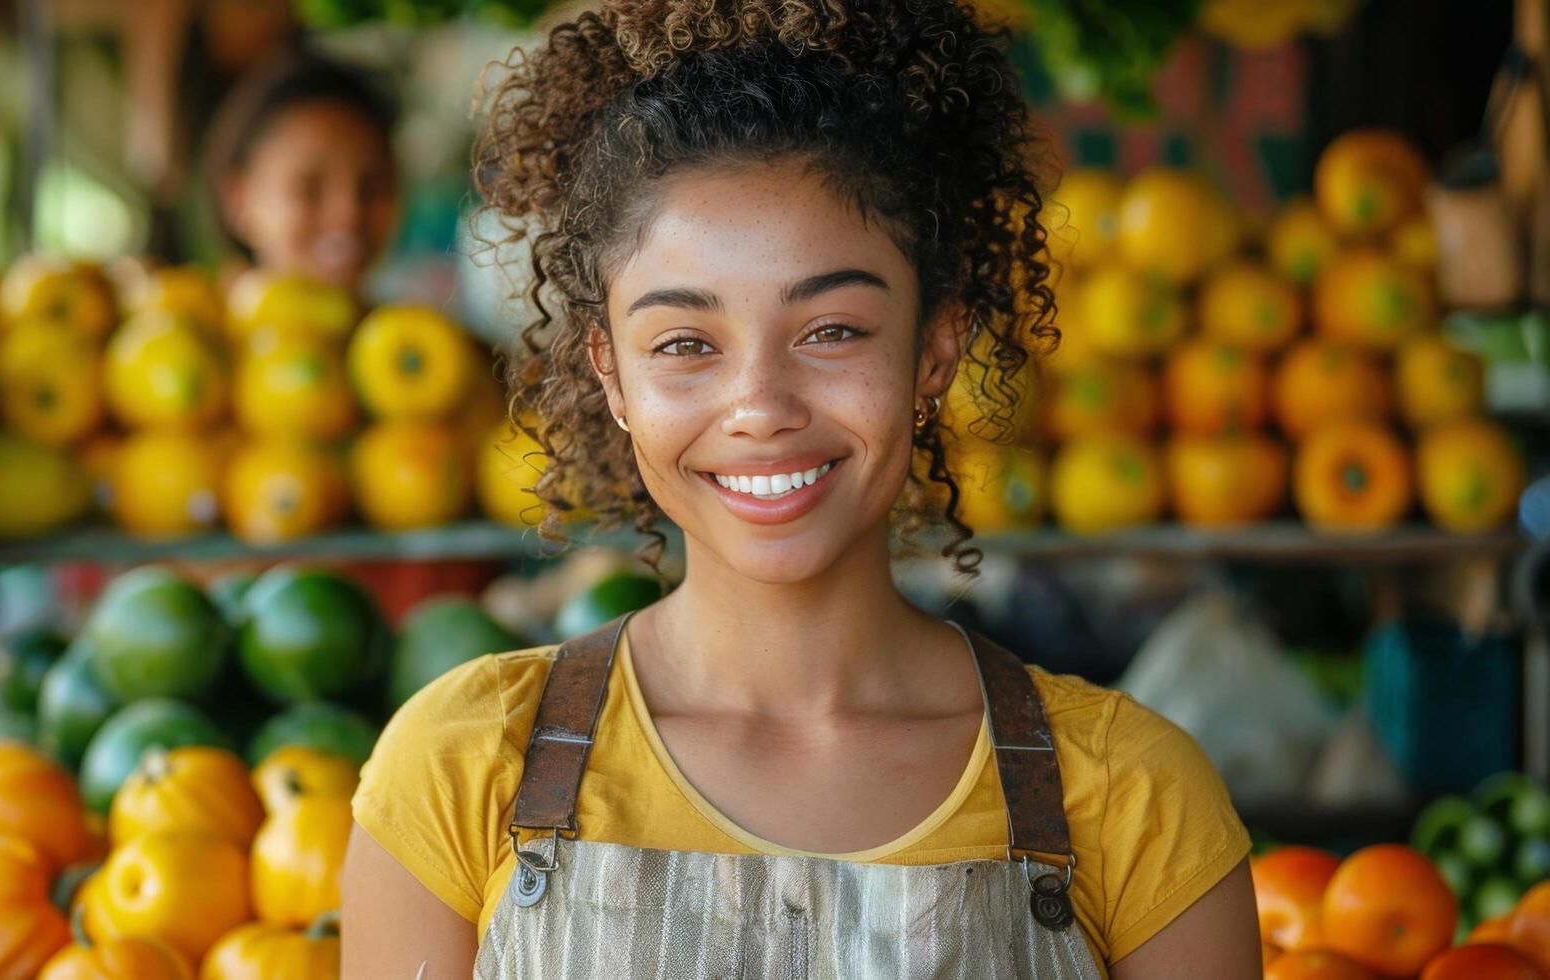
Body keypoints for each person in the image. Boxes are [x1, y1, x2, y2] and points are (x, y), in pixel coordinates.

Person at [342, 1, 1261, 976]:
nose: (759, 405)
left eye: (831, 330)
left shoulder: (1134, 795)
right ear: (610, 374)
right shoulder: (461, 767)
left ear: (935, 350)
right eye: (685, 343)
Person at [206, 50, 398, 291]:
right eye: (310, 188)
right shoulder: (178, 320)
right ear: (238, 201)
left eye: (372, 187)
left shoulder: (421, 325)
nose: (348, 214)